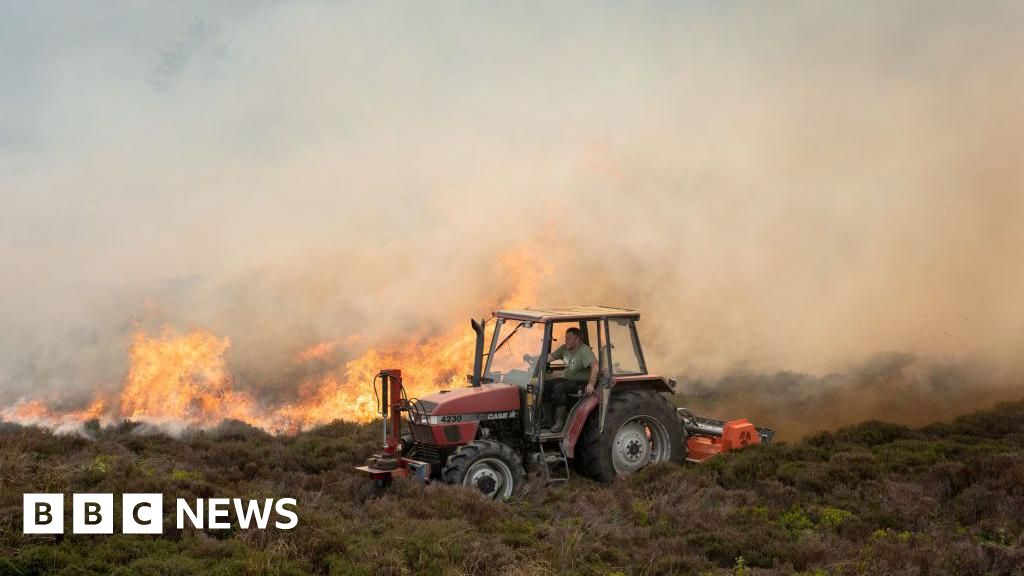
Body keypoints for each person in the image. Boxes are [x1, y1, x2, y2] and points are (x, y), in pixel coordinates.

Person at [546, 327, 598, 433]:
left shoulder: (584, 351)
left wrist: (591, 384)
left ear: (577, 339)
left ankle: (560, 422)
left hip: (581, 382)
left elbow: (595, 366)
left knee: (559, 388)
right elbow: (550, 357)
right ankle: (547, 419)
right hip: (568, 379)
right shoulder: (564, 349)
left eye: (569, 339)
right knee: (545, 385)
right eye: (565, 338)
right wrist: (537, 358)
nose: (566, 341)